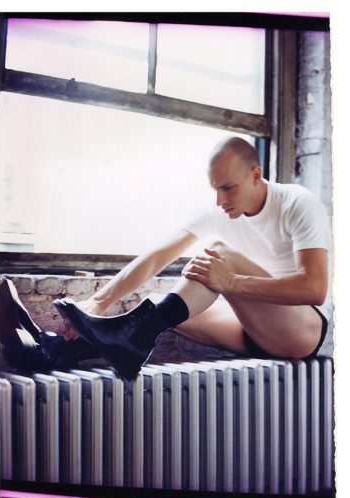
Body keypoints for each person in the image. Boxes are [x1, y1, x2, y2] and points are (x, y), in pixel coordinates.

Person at [53, 136, 332, 381]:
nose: (220, 200)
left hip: (301, 333)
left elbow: (314, 289)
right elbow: (157, 256)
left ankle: (128, 343)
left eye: (228, 188)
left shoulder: (297, 203)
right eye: (215, 189)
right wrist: (100, 302)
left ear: (256, 175)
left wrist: (232, 282)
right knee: (156, 306)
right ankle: (62, 351)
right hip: (251, 332)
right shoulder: (219, 210)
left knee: (218, 255)